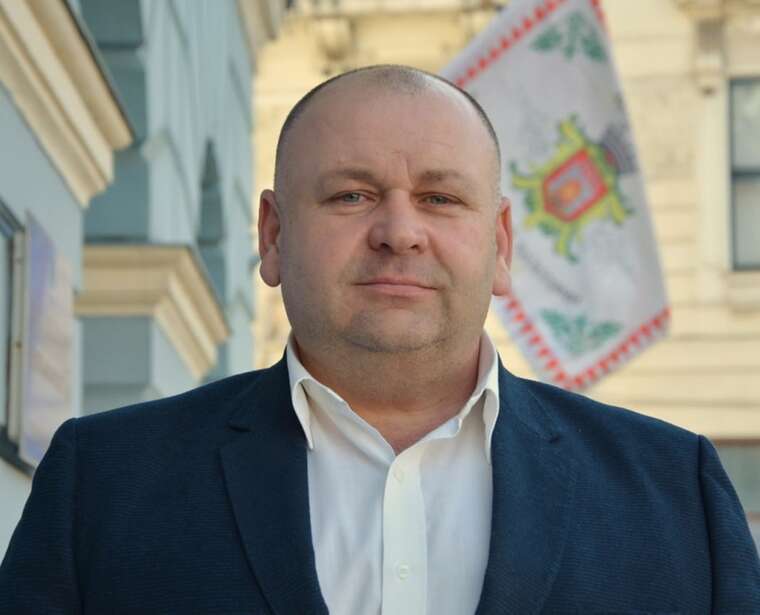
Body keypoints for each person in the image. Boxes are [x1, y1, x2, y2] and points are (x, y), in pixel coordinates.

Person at [1, 65, 759, 615]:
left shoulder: (674, 491)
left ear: (500, 244)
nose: (400, 231)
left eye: (440, 197)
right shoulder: (104, 481)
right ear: (272, 235)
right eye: (351, 194)